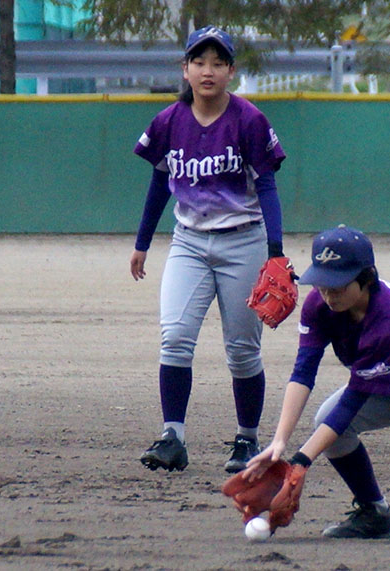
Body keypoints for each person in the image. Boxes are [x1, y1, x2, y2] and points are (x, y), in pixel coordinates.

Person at [242, 225, 390, 547]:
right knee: (326, 422)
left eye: (338, 285)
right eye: (323, 283)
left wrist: (300, 463)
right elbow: (303, 372)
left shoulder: (387, 320)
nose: (329, 294)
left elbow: (354, 401)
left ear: (366, 278)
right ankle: (374, 513)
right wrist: (279, 443)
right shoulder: (319, 306)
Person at [130, 26, 288, 474]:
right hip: (189, 243)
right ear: (185, 69)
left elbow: (268, 185)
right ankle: (172, 437)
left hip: (244, 240)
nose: (208, 70)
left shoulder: (249, 120)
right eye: (199, 62)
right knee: (175, 337)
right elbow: (160, 183)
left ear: (231, 71)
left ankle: (246, 440)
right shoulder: (169, 121)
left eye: (219, 62)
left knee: (241, 349)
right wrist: (142, 243)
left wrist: (274, 251)